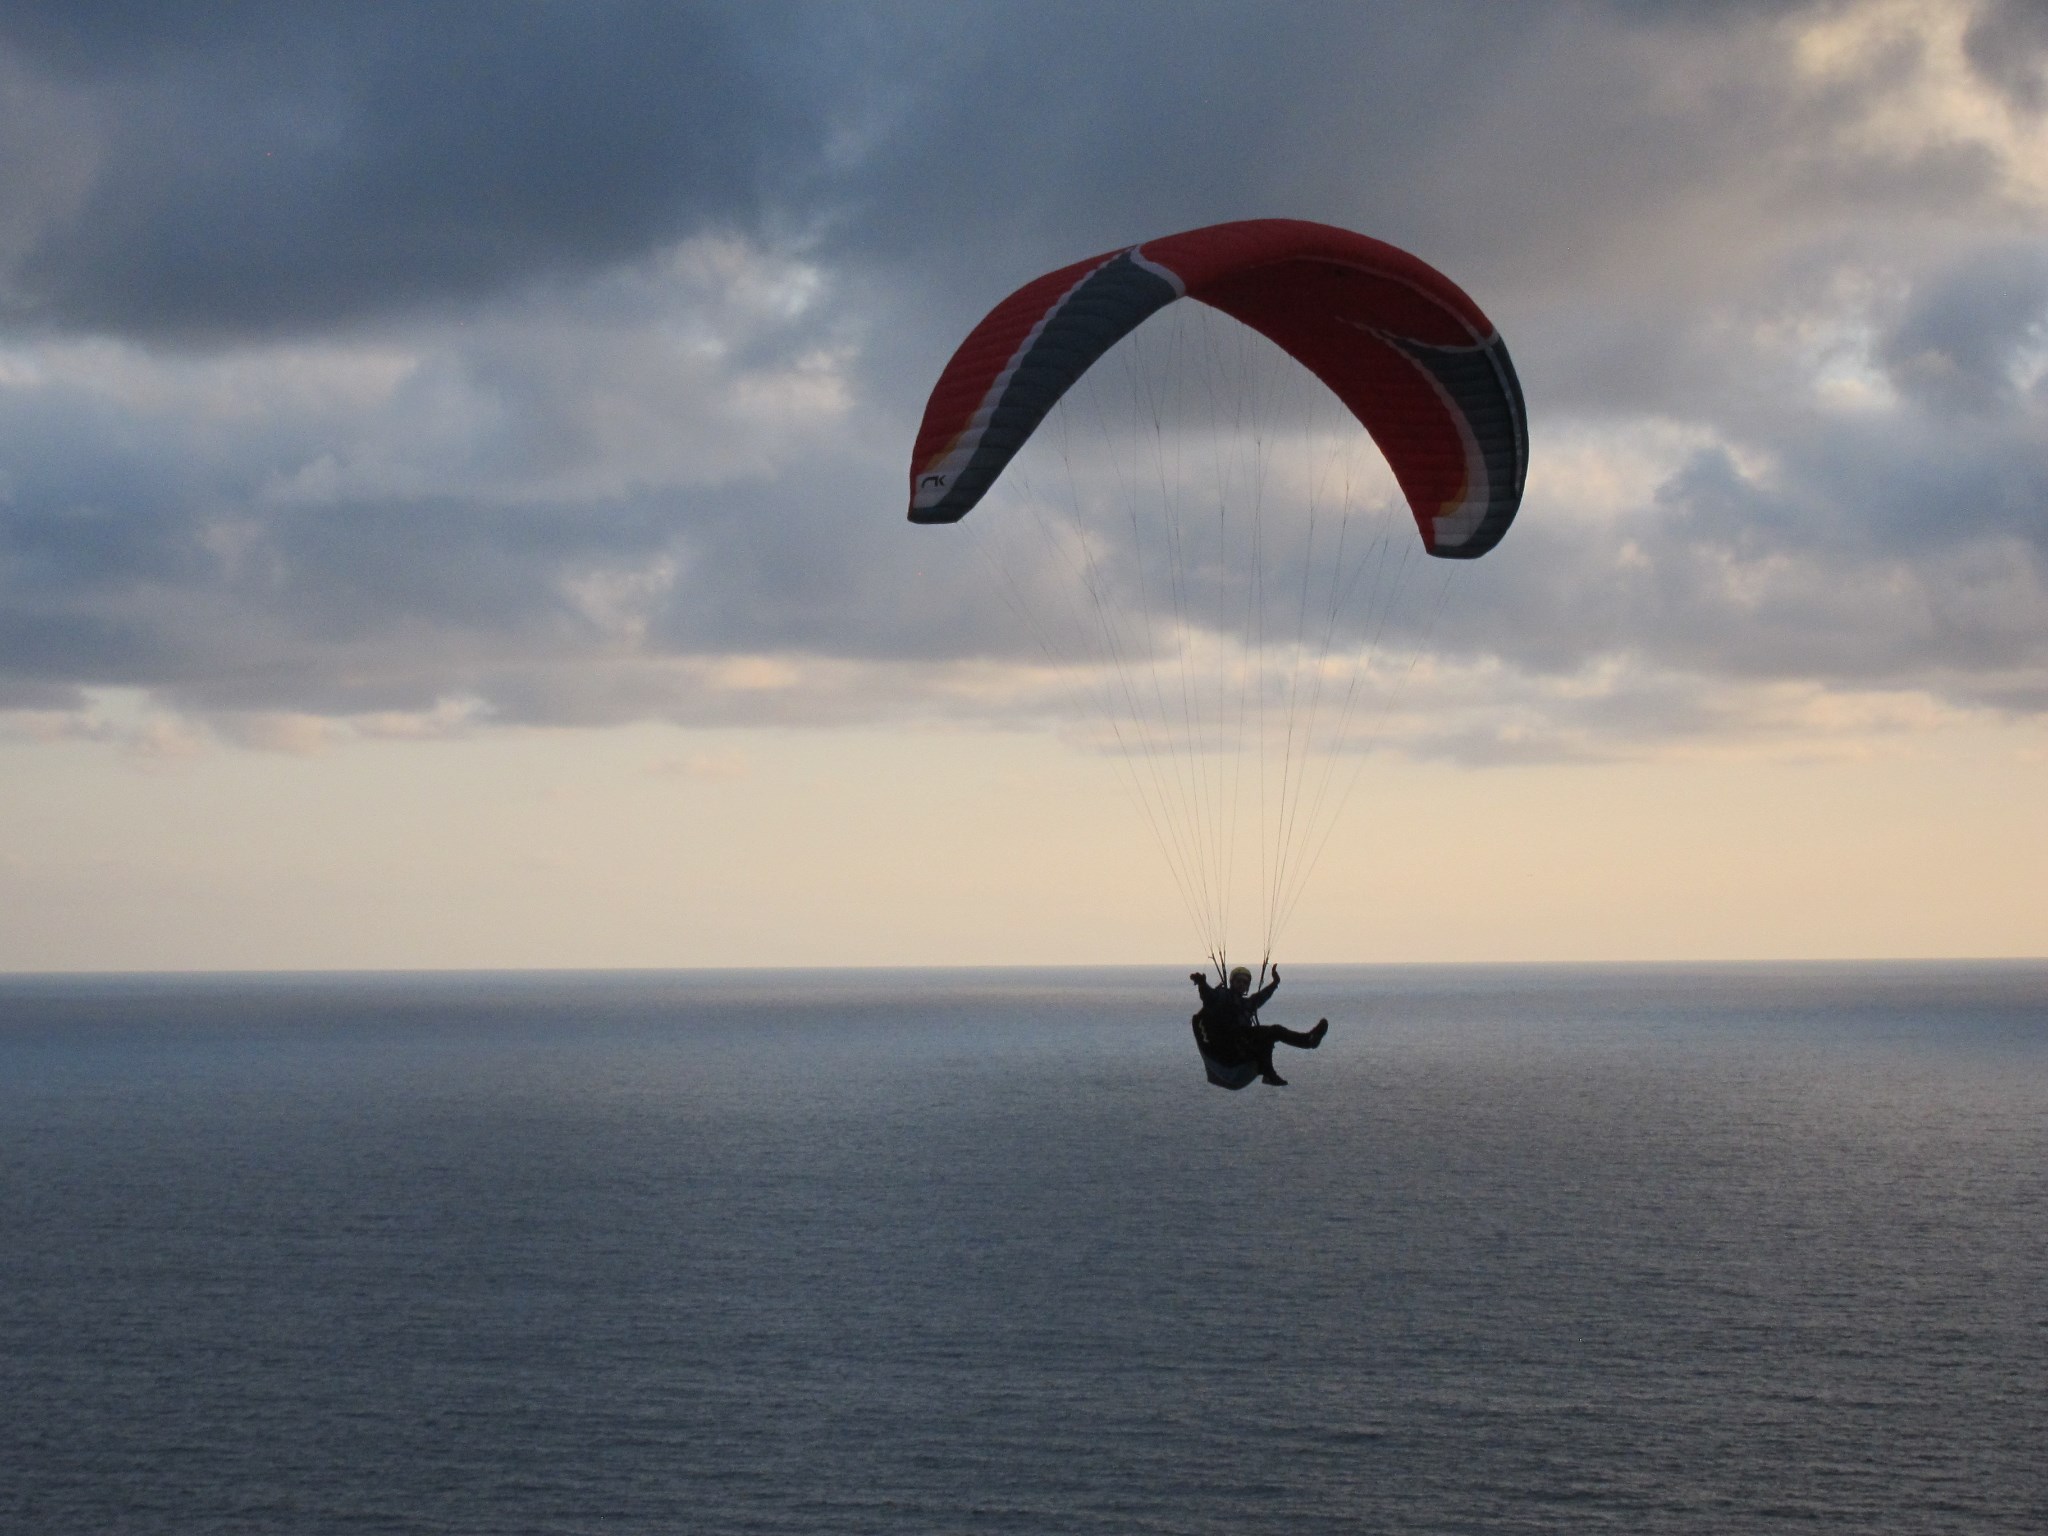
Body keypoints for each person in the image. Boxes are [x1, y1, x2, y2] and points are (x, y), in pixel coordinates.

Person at [1189, 964, 1329, 1086]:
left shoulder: (1246, 1004)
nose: (1242, 985)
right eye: (1239, 981)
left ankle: (1309, 1041)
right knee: (1262, 1034)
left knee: (1274, 1031)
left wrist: (1275, 983)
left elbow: (1261, 997)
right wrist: (1202, 984)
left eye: (1245, 983)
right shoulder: (1222, 996)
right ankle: (1269, 1073)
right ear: (1232, 982)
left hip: (1239, 1051)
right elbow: (1209, 997)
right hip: (1224, 1050)